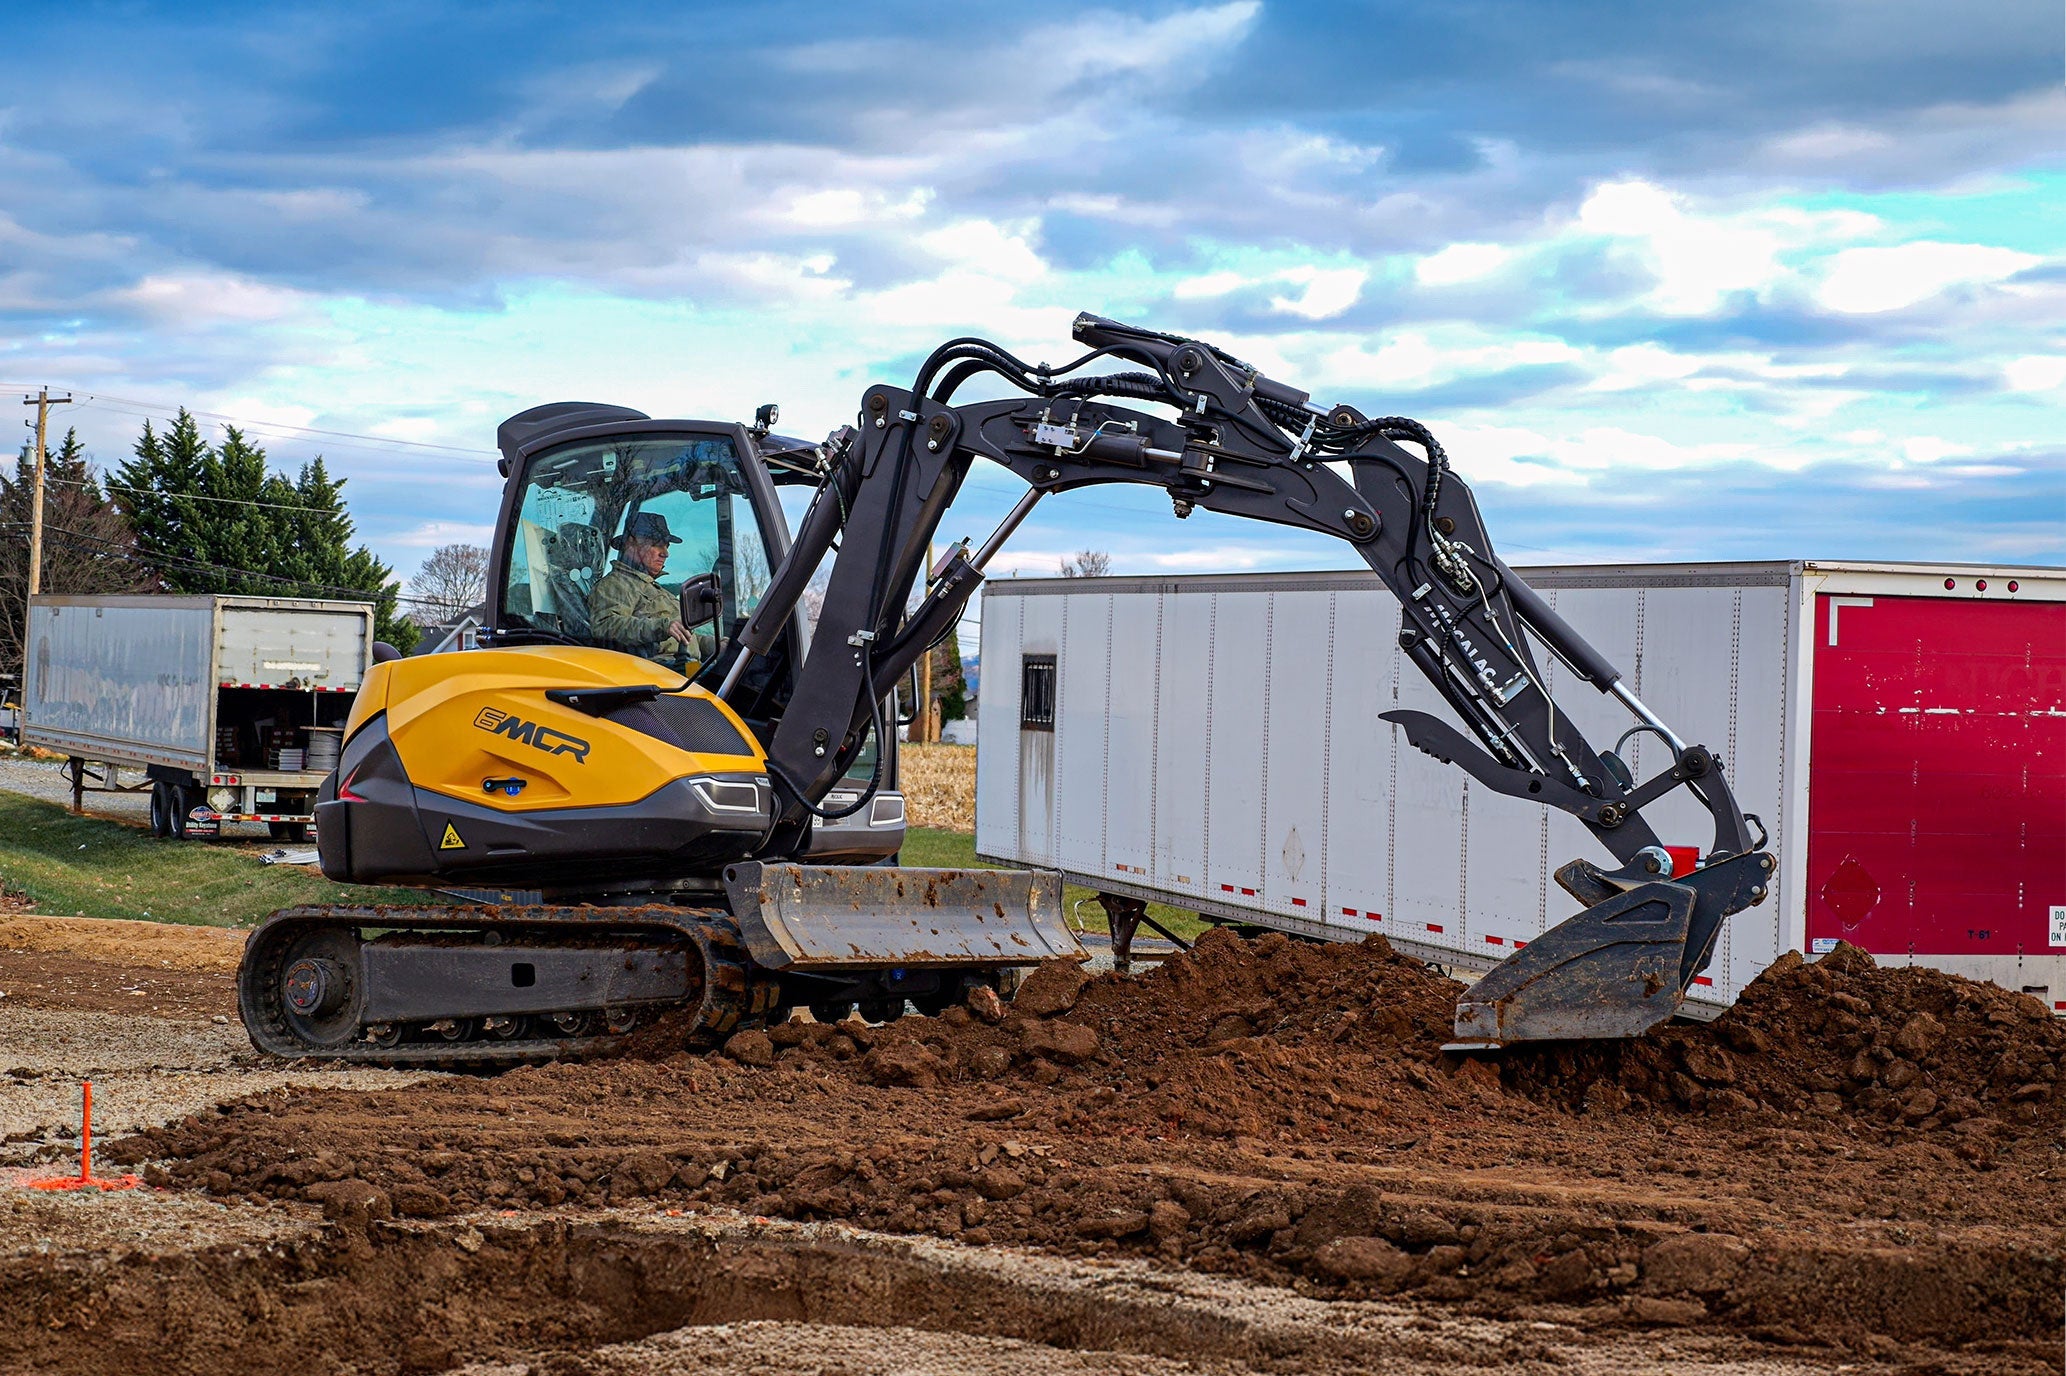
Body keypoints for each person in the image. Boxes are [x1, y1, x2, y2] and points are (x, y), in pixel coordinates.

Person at [588, 511, 712, 663]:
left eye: (666, 546)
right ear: (631, 545)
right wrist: (662, 627)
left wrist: (711, 644)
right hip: (657, 672)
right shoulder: (616, 584)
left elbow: (678, 636)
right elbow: (605, 625)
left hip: (684, 666)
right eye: (657, 545)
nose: (665, 553)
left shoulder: (653, 588)